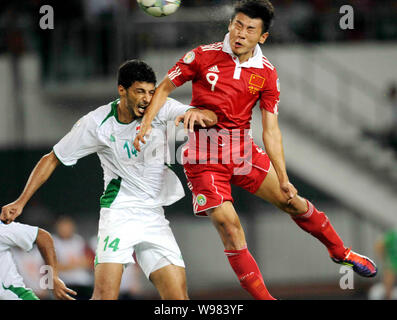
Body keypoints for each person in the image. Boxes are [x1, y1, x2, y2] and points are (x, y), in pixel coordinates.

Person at [134, 0, 378, 300]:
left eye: (250, 29)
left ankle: (341, 252)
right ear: (230, 25)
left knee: (293, 203)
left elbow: (271, 130)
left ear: (262, 37)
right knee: (229, 225)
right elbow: (164, 89)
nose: (240, 33)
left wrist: (284, 176)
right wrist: (146, 124)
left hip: (242, 151)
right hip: (203, 156)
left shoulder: (266, 73)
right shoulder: (202, 55)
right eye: (237, 24)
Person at [0, 59, 217, 300]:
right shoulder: (97, 123)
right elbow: (52, 158)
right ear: (122, 90)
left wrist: (198, 114)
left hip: (154, 217)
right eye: (139, 91)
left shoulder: (161, 107)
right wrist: (20, 202)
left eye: (150, 91)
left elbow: (210, 118)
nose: (147, 99)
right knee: (105, 296)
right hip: (119, 215)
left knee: (178, 298)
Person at [0, 220, 76, 300]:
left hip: (15, 295)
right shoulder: (13, 253)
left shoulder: (3, 230)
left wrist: (53, 277)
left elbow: (43, 237)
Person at [53, 216, 94, 300]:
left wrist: (68, 265)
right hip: (66, 283)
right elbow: (54, 267)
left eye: (68, 226)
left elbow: (90, 261)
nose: (66, 229)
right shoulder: (54, 242)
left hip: (84, 283)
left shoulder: (79, 240)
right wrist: (78, 264)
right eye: (63, 226)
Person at [374, 229, 397, 300]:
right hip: (392, 263)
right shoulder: (393, 235)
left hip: (392, 263)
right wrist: (384, 258)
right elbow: (379, 246)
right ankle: (388, 296)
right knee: (389, 281)